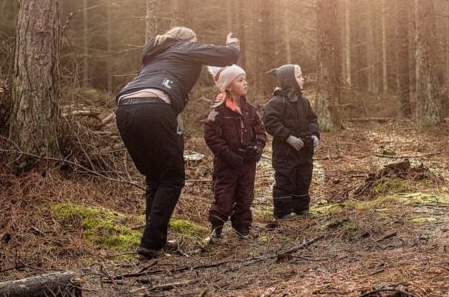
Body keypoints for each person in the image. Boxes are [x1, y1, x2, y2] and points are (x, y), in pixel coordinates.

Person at [115, 27, 240, 258]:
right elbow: (228, 56)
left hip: (124, 109)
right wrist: (233, 44)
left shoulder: (155, 54)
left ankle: (154, 240)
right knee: (172, 178)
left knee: (156, 177)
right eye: (196, 42)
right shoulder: (184, 46)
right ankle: (152, 242)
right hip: (154, 107)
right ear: (189, 40)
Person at [203, 65, 266, 240]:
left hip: (247, 164)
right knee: (224, 197)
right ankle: (217, 227)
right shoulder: (218, 111)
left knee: (246, 196)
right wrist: (228, 155)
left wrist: (257, 148)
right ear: (229, 86)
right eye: (240, 80)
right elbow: (212, 137)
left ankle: (242, 227)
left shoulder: (250, 109)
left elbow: (260, 131)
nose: (245, 83)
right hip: (227, 165)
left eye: (245, 79)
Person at [263, 64, 320, 220]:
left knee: (303, 179)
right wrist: (288, 137)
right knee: (285, 180)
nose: (303, 79)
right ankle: (283, 212)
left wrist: (315, 135)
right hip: (285, 154)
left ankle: (301, 208)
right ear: (289, 80)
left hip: (305, 151)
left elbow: (312, 120)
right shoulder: (276, 103)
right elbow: (270, 122)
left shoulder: (304, 102)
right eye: (299, 76)